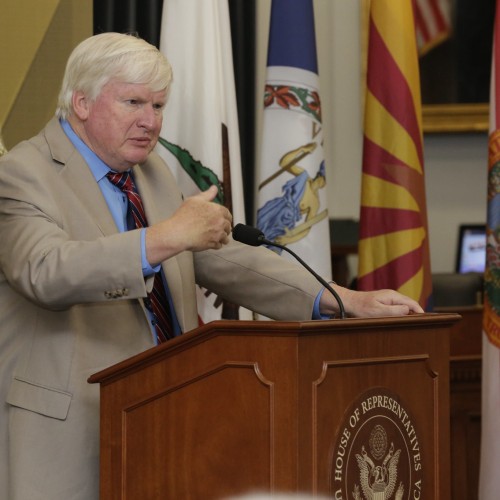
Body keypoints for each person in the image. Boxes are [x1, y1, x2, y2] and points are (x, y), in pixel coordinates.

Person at [0, 32, 423, 500]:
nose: (150, 122)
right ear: (81, 102)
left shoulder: (152, 171)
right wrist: (162, 237)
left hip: (166, 417)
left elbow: (225, 257)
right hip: (68, 434)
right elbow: (43, 270)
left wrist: (339, 298)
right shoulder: (23, 173)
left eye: (159, 106)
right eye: (134, 102)